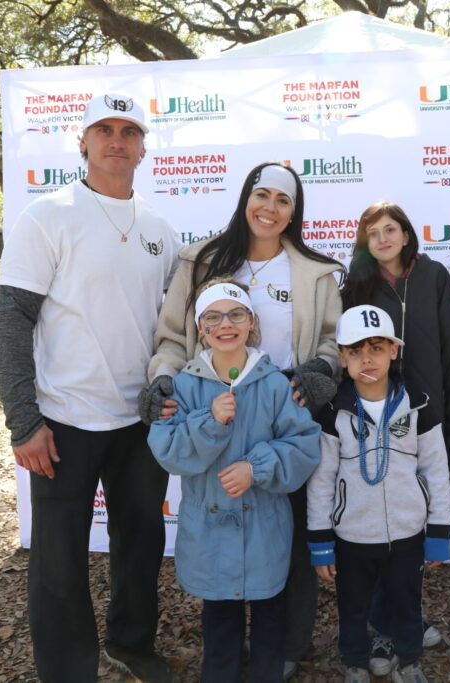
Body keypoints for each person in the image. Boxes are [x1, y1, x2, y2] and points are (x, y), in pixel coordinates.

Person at [0, 93, 179, 683]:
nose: (117, 140)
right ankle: (69, 669)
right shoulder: (47, 216)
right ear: (83, 142)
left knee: (141, 546)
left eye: (129, 130)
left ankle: (131, 644)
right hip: (63, 420)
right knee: (59, 561)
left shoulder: (160, 228)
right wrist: (24, 421)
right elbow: (12, 321)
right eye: (104, 129)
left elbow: (169, 328)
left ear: (144, 147)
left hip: (139, 422)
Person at [146, 161, 343, 679]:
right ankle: (226, 659)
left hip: (283, 406)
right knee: (225, 528)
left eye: (283, 200)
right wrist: (163, 380)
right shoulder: (203, 260)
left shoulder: (314, 272)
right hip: (211, 401)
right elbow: (171, 337)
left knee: (283, 534)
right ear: (245, 199)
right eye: (262, 195)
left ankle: (281, 653)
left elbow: (330, 338)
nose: (270, 208)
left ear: (293, 213)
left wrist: (323, 367)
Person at [147, 281, 321, 683]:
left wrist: (256, 468)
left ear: (252, 322)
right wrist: (209, 421)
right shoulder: (184, 386)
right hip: (210, 532)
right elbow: (167, 449)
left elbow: (304, 445)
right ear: (200, 327)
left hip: (264, 530)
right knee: (220, 621)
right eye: (213, 317)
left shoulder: (276, 383)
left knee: (269, 619)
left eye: (236, 314)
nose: (225, 325)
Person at [341, 201, 450, 674]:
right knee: (375, 527)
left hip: (427, 418)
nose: (383, 238)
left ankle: (404, 621)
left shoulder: (433, 276)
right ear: (364, 242)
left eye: (390, 229)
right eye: (372, 232)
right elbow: (350, 357)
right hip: (375, 420)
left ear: (406, 233)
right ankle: (383, 631)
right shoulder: (356, 285)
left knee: (408, 531)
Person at [306, 305, 450, 683]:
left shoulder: (419, 403)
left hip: (406, 531)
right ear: (341, 357)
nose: (365, 358)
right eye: (354, 351)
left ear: (393, 350)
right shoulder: (332, 411)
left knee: (407, 603)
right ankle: (355, 662)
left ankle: (409, 661)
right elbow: (322, 479)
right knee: (352, 606)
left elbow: (434, 469)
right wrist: (321, 540)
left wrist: (438, 531)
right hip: (352, 534)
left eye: (375, 348)